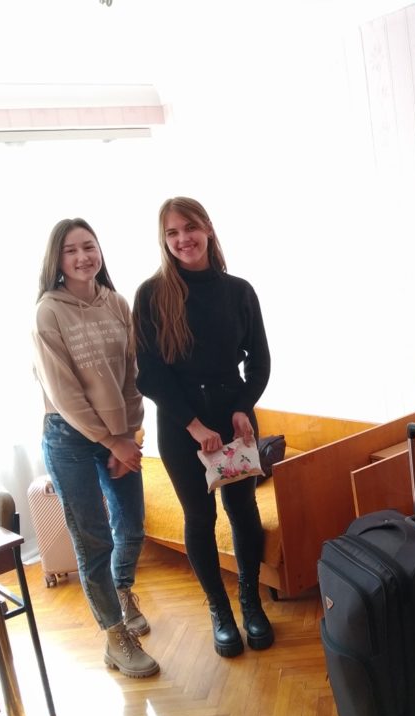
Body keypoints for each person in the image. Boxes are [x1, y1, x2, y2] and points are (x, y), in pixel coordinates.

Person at [133, 197, 273, 658]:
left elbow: (259, 362)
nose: (183, 240)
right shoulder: (151, 295)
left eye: (189, 228)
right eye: (172, 233)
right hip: (181, 426)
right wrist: (193, 425)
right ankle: (220, 611)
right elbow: (149, 375)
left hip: (235, 420)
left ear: (208, 228)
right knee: (200, 517)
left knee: (243, 509)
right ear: (164, 241)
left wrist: (242, 408)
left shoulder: (239, 291)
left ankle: (251, 601)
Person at [33, 218, 159, 678]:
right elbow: (63, 392)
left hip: (118, 433)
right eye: (71, 250)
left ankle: (122, 592)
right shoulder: (48, 311)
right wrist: (110, 440)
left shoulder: (116, 302)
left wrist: (129, 435)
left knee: (132, 525)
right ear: (57, 259)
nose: (83, 257)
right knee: (93, 539)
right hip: (69, 438)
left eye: (89, 246)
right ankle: (115, 636)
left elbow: (131, 374)